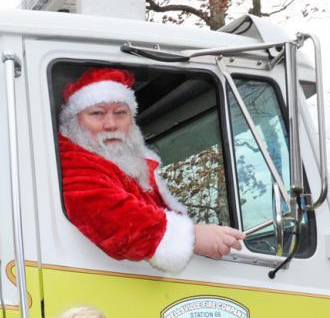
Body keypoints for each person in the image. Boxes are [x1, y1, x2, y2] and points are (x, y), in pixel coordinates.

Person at [58, 66, 246, 274]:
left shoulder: (129, 163)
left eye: (120, 113)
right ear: (74, 121)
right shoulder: (72, 162)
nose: (111, 124)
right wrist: (193, 237)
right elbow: (110, 215)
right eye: (97, 113)